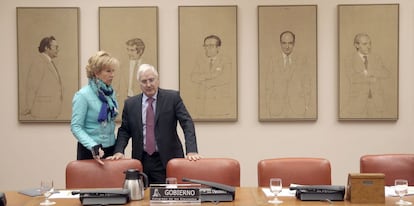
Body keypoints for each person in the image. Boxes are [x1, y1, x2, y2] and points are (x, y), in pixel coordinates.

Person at [108, 64, 201, 184]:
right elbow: (125, 130)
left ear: (157, 80)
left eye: (151, 80)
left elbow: (187, 123)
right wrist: (119, 151)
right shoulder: (130, 104)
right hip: (142, 159)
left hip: (168, 159)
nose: (148, 85)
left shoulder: (172, 98)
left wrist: (191, 150)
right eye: (144, 81)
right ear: (139, 84)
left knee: (168, 198)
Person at [71, 51, 120, 165]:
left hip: (110, 149)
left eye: (113, 71)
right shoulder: (82, 95)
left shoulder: (110, 94)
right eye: (108, 71)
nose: (112, 74)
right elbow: (76, 126)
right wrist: (93, 146)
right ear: (96, 73)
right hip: (90, 150)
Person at [266, 30, 313, 118]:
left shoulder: (302, 61)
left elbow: (307, 85)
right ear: (280, 43)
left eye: (290, 43)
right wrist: (269, 104)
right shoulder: (273, 61)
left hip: (298, 109)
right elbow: (268, 85)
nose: (287, 46)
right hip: (276, 109)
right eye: (284, 43)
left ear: (294, 43)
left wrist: (306, 105)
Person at [342, 33, 390, 118]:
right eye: (365, 44)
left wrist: (368, 72)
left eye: (370, 43)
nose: (369, 46)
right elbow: (353, 78)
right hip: (357, 104)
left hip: (376, 103)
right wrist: (371, 78)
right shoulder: (349, 60)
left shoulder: (376, 58)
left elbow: (386, 73)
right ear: (356, 45)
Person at [191, 34, 233, 118]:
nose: (207, 48)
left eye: (211, 46)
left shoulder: (225, 60)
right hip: (203, 103)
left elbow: (225, 78)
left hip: (219, 104)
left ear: (218, 48)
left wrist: (205, 82)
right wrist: (210, 75)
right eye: (206, 46)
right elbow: (193, 77)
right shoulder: (200, 60)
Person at [22, 36, 63, 120]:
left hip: (50, 111)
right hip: (42, 112)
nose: (57, 49)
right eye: (56, 47)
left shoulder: (49, 62)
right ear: (47, 48)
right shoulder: (39, 62)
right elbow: (31, 87)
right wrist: (29, 108)